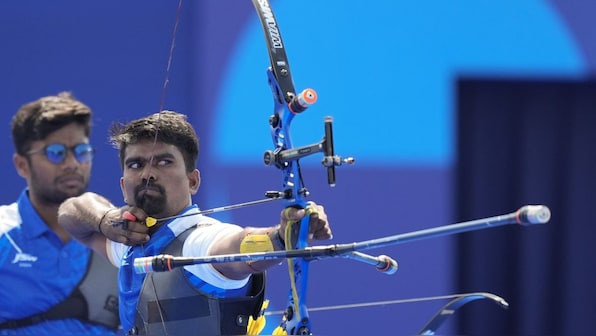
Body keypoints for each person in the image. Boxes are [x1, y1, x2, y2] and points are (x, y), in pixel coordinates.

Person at [58, 111, 332, 335]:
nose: (147, 174)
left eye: (164, 162)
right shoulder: (129, 244)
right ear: (122, 184)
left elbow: (236, 249)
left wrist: (282, 236)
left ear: (193, 180)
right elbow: (71, 212)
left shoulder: (199, 242)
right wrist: (105, 219)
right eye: (135, 165)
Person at [0, 92, 120, 335]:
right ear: (22, 165)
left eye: (81, 151)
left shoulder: (116, 237)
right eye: (56, 152)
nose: (72, 163)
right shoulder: (4, 233)